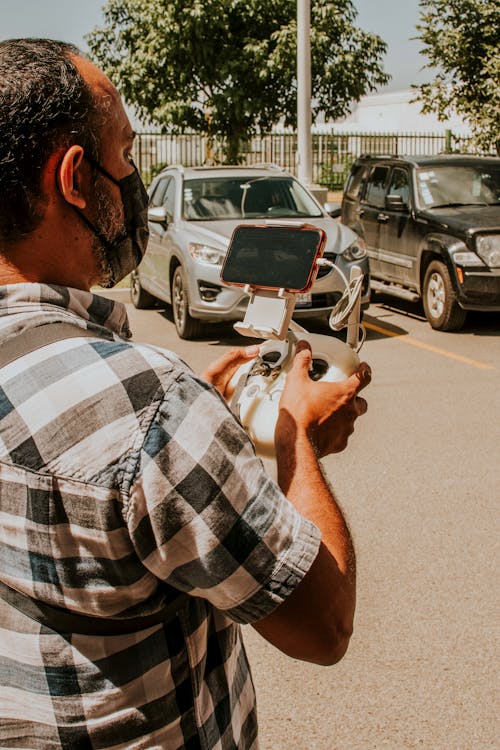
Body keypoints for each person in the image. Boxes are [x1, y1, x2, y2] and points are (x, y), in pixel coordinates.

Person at [0, 38, 371, 750]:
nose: (135, 178)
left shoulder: (151, 407)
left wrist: (190, 417)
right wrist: (296, 440)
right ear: (76, 178)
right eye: (129, 156)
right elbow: (325, 626)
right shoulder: (148, 405)